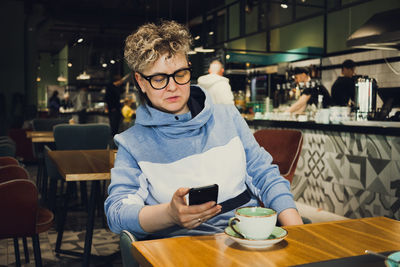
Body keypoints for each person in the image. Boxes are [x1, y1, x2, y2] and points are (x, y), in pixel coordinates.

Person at [105, 20, 303, 241]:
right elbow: (117, 213)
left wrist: (300, 234)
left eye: (180, 74)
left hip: (246, 239)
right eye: (159, 78)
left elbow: (265, 175)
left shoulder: (228, 117)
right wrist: (169, 214)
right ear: (141, 82)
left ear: (189, 67)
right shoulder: (132, 143)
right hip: (179, 248)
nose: (172, 87)